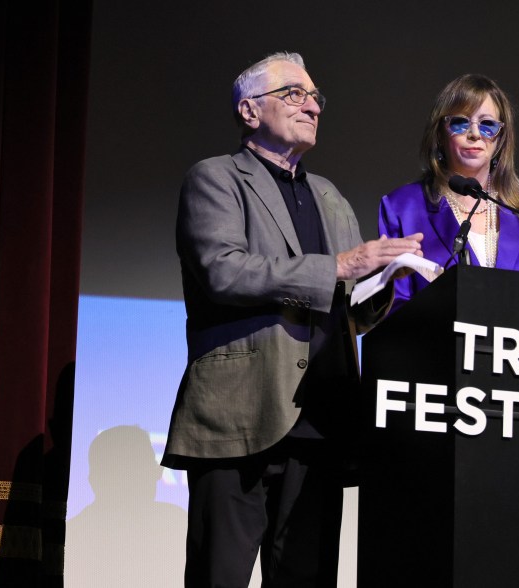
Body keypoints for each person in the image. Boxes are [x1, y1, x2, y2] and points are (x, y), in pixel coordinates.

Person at [161, 51, 423, 587]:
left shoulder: (329, 196)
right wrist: (345, 265)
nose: (312, 107)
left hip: (321, 420)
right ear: (249, 111)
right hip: (239, 414)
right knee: (220, 577)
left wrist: (389, 278)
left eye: (315, 97)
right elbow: (223, 271)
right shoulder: (215, 179)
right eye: (295, 94)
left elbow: (351, 305)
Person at [378, 74, 519, 312]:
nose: (475, 134)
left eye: (488, 125)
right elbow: (393, 310)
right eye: (460, 122)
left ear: (500, 139)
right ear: (439, 133)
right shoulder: (403, 208)